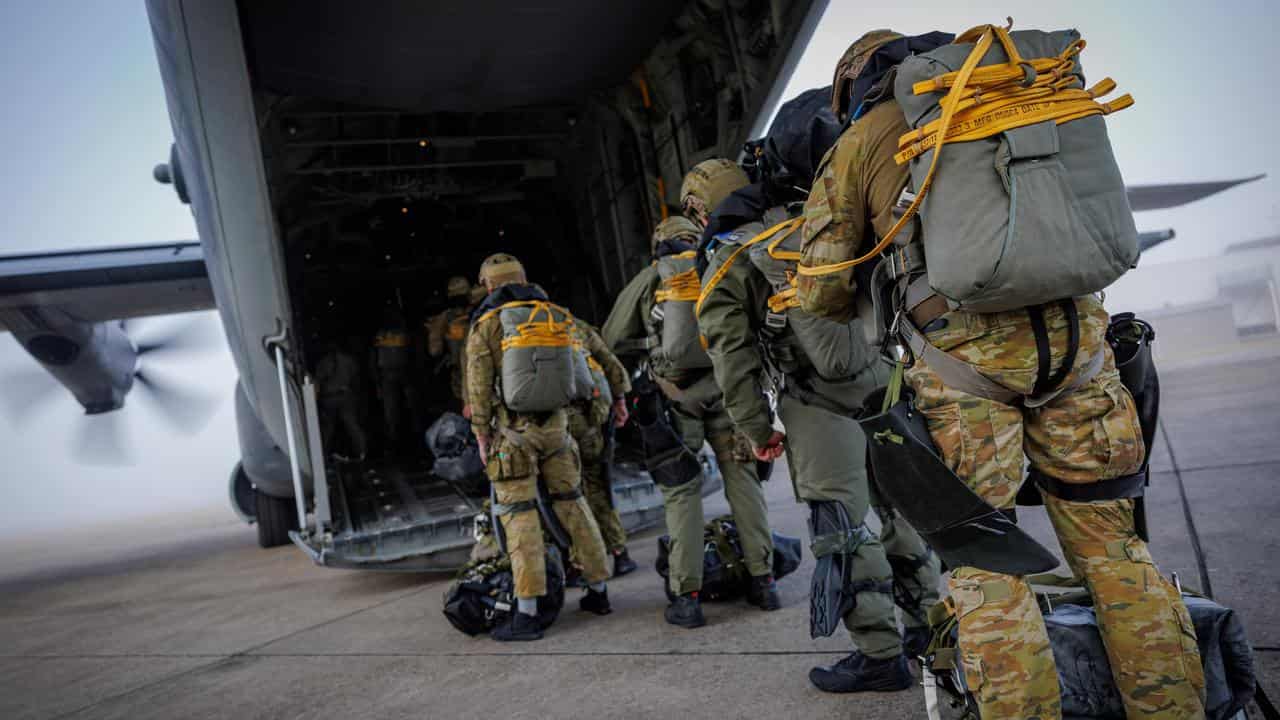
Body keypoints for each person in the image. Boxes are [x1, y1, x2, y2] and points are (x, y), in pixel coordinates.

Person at [796, 30, 1206, 718]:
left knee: (987, 570)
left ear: (854, 84)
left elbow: (820, 294)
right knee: (1114, 551)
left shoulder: (863, 141)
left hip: (965, 374)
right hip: (1081, 352)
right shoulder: (1024, 96)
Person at [695, 89, 940, 693]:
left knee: (845, 529)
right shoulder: (820, 214)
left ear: (703, 208)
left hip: (818, 403)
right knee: (900, 511)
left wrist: (756, 428)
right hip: (884, 384)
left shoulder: (731, 251)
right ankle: (932, 629)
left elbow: (733, 354)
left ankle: (881, 655)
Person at [603, 162, 778, 630]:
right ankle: (764, 583)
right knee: (745, 484)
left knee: (682, 496)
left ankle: (687, 596)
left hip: (675, 398)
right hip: (727, 392)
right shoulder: (716, 261)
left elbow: (610, 336)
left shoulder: (653, 277)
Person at [465, 252, 613, 641]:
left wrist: (482, 437)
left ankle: (528, 612)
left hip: (512, 439)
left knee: (520, 517)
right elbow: (583, 381)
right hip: (559, 432)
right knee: (574, 504)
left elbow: (478, 391)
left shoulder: (486, 326)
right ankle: (598, 591)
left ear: (489, 285)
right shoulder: (556, 315)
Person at [566, 321, 638, 579]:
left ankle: (579, 564)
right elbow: (608, 361)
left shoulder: (511, 328)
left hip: (555, 424)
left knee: (567, 495)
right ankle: (620, 554)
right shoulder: (570, 322)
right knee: (597, 484)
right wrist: (620, 400)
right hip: (591, 416)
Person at [371, 305, 423, 457]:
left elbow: (373, 360)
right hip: (394, 375)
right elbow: (373, 360)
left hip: (399, 375)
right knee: (396, 411)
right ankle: (399, 443)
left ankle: (407, 441)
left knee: (401, 410)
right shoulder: (389, 334)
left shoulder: (388, 334)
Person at [426, 275, 477, 405]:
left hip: (461, 375)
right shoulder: (479, 312)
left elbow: (435, 351)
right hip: (476, 370)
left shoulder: (445, 318)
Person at [315, 338, 367, 462]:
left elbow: (318, 382)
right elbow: (356, 379)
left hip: (329, 398)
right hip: (345, 396)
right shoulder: (349, 361)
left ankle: (322, 455)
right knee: (351, 424)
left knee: (328, 428)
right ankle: (362, 452)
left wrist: (316, 399)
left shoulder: (323, 363)